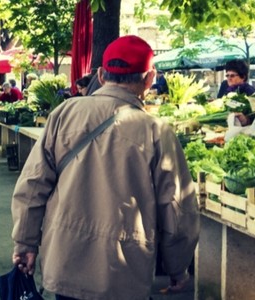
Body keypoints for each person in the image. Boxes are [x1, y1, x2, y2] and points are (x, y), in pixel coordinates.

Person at [11, 35, 199, 300]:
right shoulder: (157, 131)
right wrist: (177, 266)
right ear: (150, 78)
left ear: (100, 74)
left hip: (66, 261)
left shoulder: (63, 115)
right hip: (125, 270)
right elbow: (177, 208)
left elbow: (32, 185)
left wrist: (25, 243)